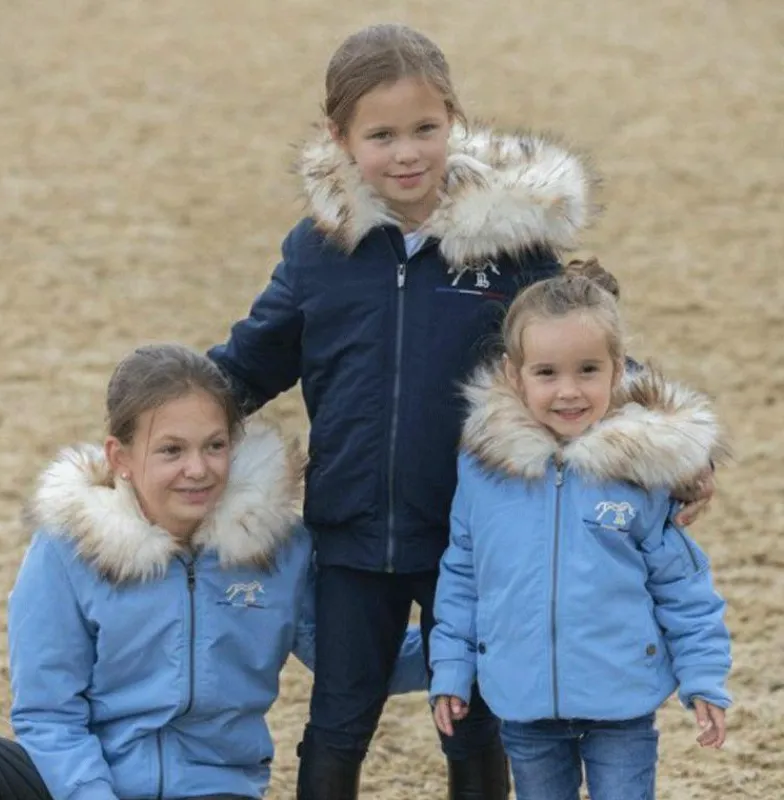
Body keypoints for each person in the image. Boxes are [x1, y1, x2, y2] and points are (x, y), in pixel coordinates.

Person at [208, 23, 713, 799]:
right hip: (348, 533)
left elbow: (583, 346)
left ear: (454, 121)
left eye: (425, 129)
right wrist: (161, 424)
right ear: (339, 138)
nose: (406, 153)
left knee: (473, 720)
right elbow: (250, 362)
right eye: (381, 135)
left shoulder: (506, 248)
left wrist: (674, 449)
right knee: (340, 719)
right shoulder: (316, 252)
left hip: (474, 536)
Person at [0, 344, 425, 800]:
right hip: (75, 783)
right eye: (171, 450)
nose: (197, 470)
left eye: (215, 446)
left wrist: (466, 650)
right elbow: (49, 714)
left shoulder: (276, 548)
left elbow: (355, 662)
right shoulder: (66, 548)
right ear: (121, 458)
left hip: (210, 787)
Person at [429, 268, 732, 800]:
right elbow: (462, 575)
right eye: (546, 372)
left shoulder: (641, 470)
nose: (568, 391)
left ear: (617, 371)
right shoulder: (483, 469)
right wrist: (452, 668)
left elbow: (683, 588)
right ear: (513, 373)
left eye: (588, 370)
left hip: (623, 702)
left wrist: (704, 677)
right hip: (522, 700)